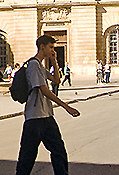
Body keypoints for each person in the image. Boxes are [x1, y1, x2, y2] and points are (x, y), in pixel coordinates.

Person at [17, 34, 81, 175]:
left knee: (59, 150)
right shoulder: (33, 65)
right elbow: (44, 89)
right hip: (35, 117)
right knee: (28, 155)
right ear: (42, 47)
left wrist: (54, 61)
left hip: (46, 116)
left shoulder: (39, 66)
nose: (53, 49)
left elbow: (56, 80)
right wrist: (66, 106)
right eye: (51, 47)